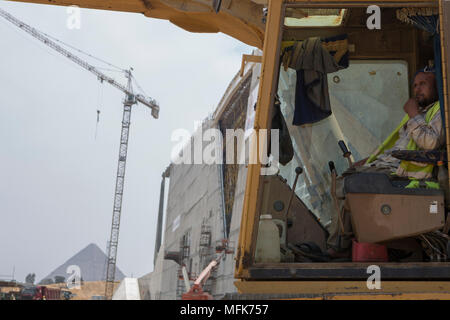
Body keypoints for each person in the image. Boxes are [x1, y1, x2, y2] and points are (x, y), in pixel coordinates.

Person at [327, 66, 444, 257]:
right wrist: (366, 162)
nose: (417, 89)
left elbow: (430, 143)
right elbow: (395, 148)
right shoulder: (422, 112)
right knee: (346, 178)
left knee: (346, 184)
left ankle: (339, 247)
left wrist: (414, 115)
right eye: (415, 85)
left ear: (437, 86)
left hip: (408, 173)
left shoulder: (441, 111)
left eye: (423, 84)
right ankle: (347, 241)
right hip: (393, 165)